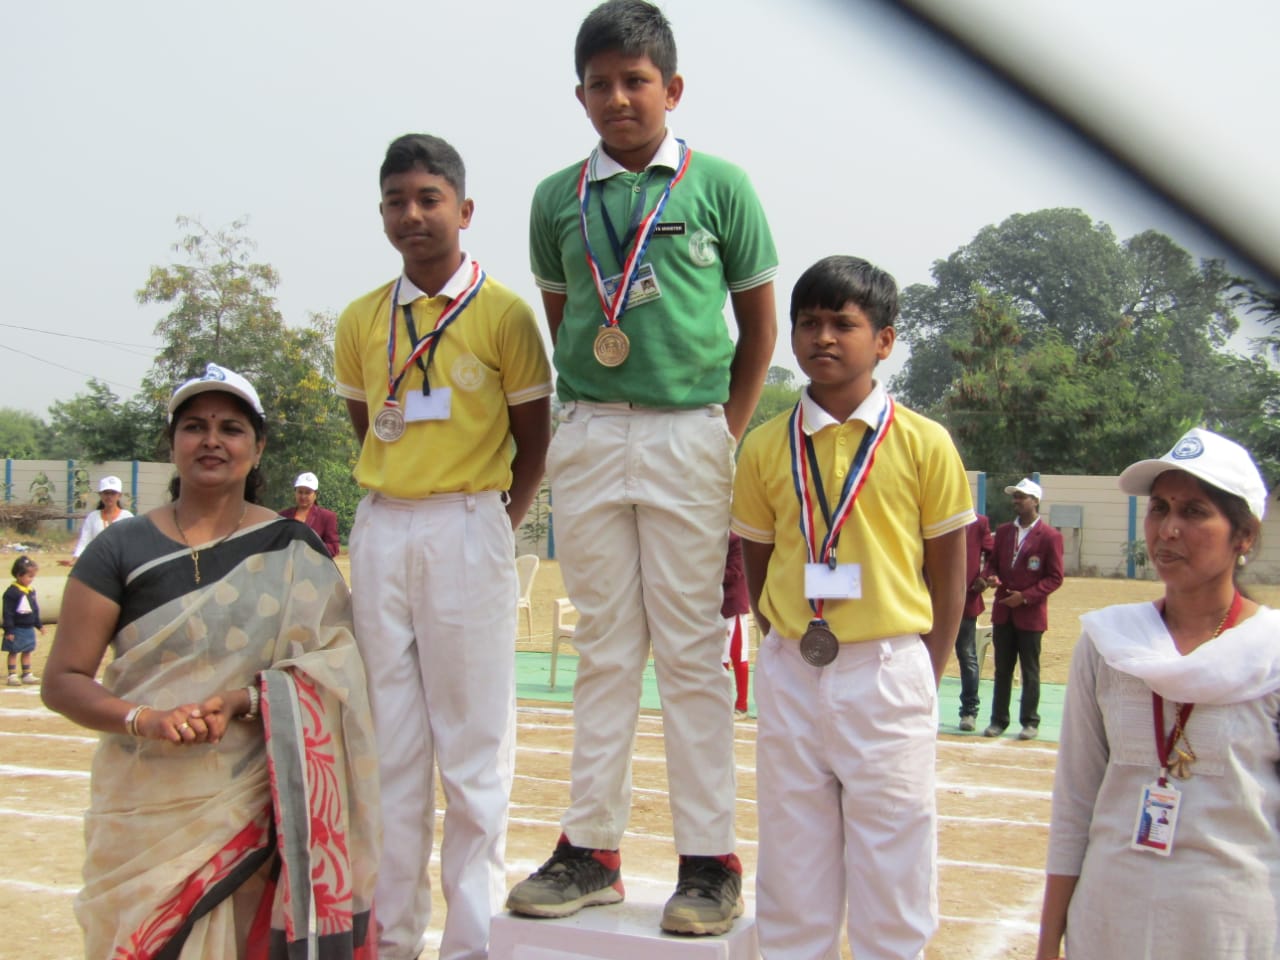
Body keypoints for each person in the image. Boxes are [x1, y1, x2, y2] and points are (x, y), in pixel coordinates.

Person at [504, 0, 778, 937]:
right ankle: (592, 851)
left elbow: (759, 327)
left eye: (636, 81)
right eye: (601, 84)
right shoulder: (556, 198)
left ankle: (710, 861)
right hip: (590, 432)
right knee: (606, 649)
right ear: (579, 94)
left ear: (674, 88)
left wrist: (721, 430)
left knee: (693, 652)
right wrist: (599, 402)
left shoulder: (720, 186)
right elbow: (567, 320)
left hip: (690, 432)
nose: (618, 98)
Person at [40, 362, 379, 959]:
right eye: (194, 426)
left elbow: (339, 665)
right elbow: (64, 680)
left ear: (258, 447)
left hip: (258, 801)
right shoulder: (119, 547)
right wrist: (145, 719)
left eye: (231, 428)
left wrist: (244, 701)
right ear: (172, 443)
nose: (212, 440)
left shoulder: (292, 548)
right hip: (143, 806)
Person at [335, 133, 552, 960]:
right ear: (381, 213)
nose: (412, 215)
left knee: (472, 753)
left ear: (464, 210)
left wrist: (494, 520)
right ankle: (393, 941)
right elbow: (370, 427)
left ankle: (469, 945)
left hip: (469, 521)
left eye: (429, 199)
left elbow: (534, 439)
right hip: (383, 525)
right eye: (396, 201)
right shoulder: (361, 319)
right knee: (390, 748)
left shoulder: (504, 314)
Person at [731, 255, 972, 960]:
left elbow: (948, 574)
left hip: (887, 669)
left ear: (885, 340)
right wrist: (787, 639)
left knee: (894, 865)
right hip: (793, 669)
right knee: (792, 864)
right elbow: (759, 561)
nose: (824, 338)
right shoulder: (764, 446)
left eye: (844, 323)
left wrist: (922, 669)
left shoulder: (925, 442)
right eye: (808, 323)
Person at [1036, 427, 1279, 960]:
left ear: (1244, 536)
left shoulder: (1271, 654)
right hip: (1109, 923)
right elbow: (1075, 803)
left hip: (1233, 932)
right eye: (1160, 508)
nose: (1168, 529)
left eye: (1194, 512)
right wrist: (1049, 941)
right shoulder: (1110, 644)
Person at [982, 478, 1064, 740]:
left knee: (1030, 670)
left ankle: (1030, 721)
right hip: (1003, 612)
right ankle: (998, 720)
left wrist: (1025, 597)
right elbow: (992, 563)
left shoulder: (1050, 536)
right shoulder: (1004, 531)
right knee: (1002, 670)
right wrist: (991, 576)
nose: (1016, 500)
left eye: (1022, 496)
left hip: (1030, 615)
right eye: (1015, 496)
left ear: (1035, 501)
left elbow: (1055, 577)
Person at [955, 514, 994, 731]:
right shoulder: (932, 515)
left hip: (966, 599)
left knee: (967, 655)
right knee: (927, 656)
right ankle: (924, 708)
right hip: (933, 599)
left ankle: (969, 711)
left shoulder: (978, 523)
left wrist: (984, 577)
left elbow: (992, 554)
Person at [60, 476, 134, 565]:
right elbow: (85, 540)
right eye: (106, 493)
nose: (109, 496)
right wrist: (76, 559)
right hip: (97, 562)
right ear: (100, 495)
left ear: (119, 495)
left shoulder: (127, 517)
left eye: (113, 493)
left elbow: (132, 543)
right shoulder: (93, 517)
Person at [722, 532, 751, 720]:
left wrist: (707, 574)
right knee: (720, 657)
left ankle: (741, 705)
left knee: (738, 655)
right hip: (717, 605)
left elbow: (735, 572)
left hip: (734, 605)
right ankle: (722, 702)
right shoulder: (714, 537)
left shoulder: (737, 539)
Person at [279, 471, 341, 557]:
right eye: (300, 492)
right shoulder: (283, 516)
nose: (303, 496)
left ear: (315, 494)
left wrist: (311, 549)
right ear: (295, 493)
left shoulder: (327, 516)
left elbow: (333, 547)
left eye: (307, 493)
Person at [4, 556, 44, 686]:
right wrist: (9, 630)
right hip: (16, 628)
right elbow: (7, 613)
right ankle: (12, 675)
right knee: (14, 651)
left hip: (28, 627)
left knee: (27, 650)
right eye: (29, 576)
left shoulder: (31, 591)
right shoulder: (11, 593)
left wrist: (39, 625)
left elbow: (35, 609)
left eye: (33, 577)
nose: (31, 579)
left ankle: (27, 674)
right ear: (19, 575)